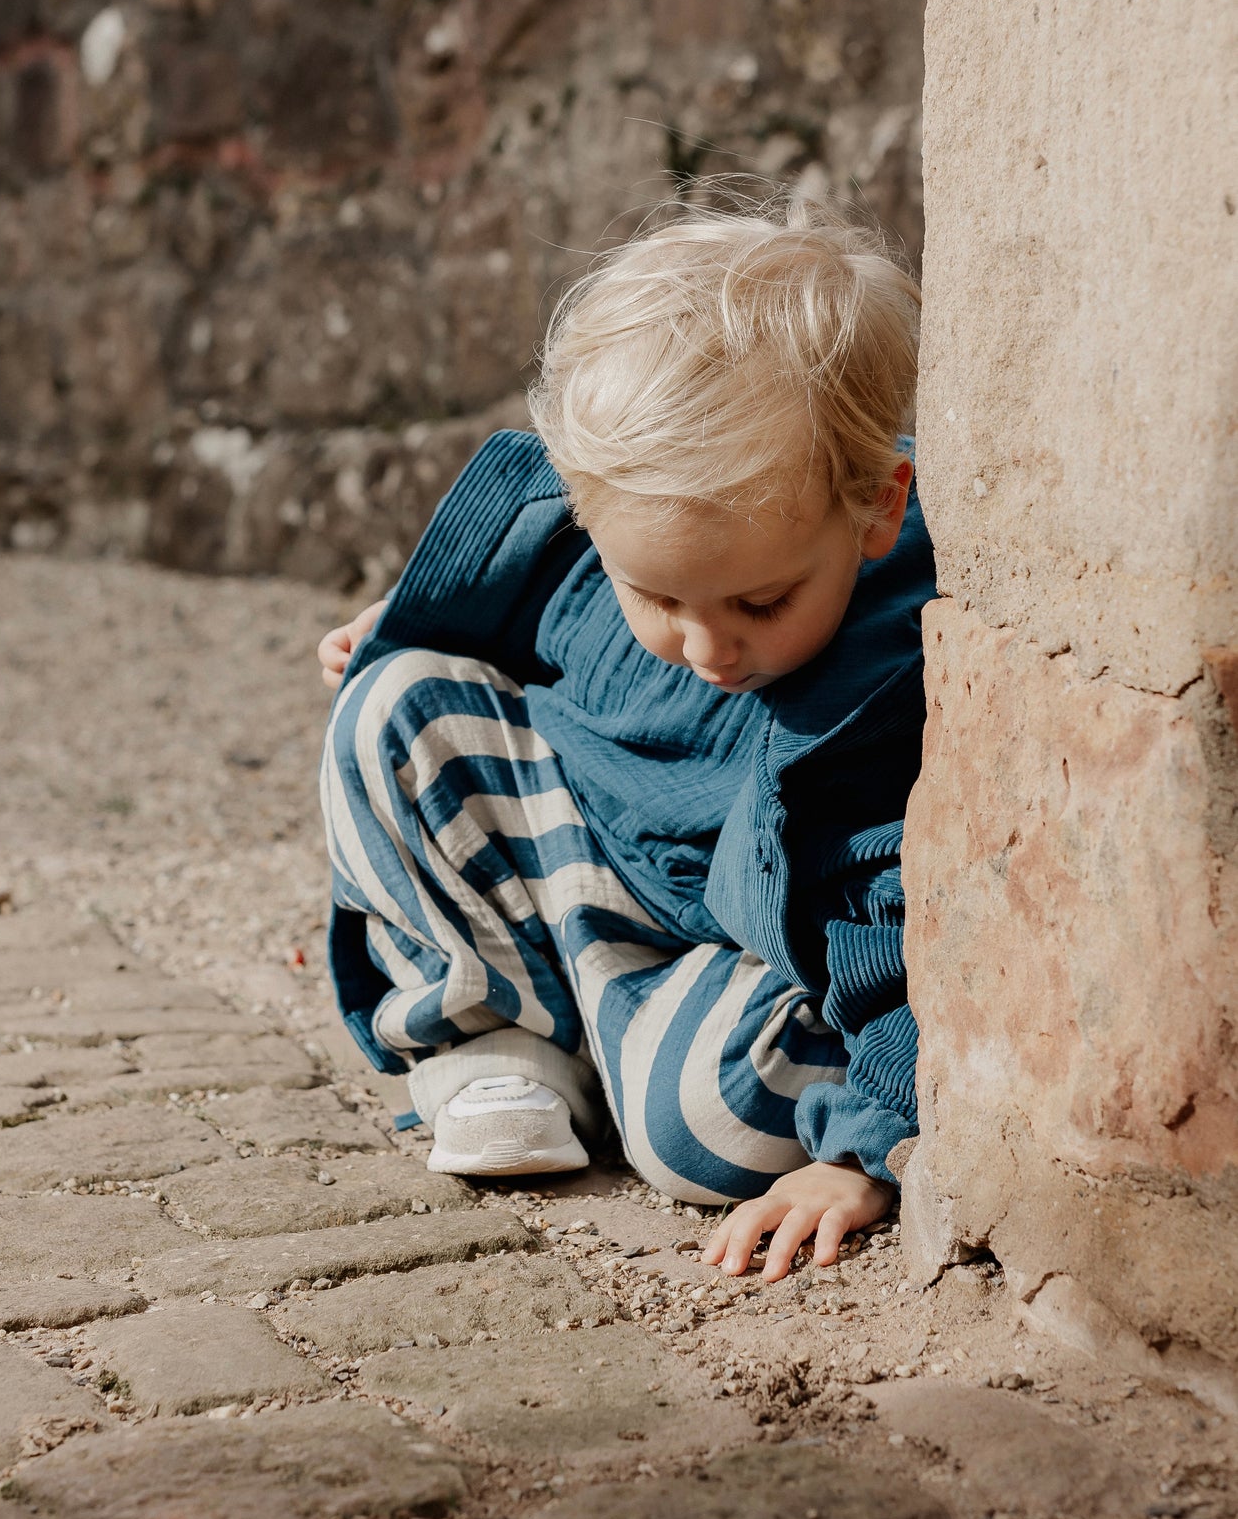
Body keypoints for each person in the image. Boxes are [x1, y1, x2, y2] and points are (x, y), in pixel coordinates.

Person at [315, 200, 934, 1283]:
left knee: (706, 1139)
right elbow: (506, 587)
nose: (706, 645)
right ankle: (496, 1039)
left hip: (748, 956)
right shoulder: (589, 547)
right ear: (585, 514)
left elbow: (885, 938)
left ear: (876, 511)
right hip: (583, 861)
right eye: (653, 593)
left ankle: (595, 1038)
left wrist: (864, 1155)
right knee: (390, 702)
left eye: (760, 600)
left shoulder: (866, 688)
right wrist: (399, 618)